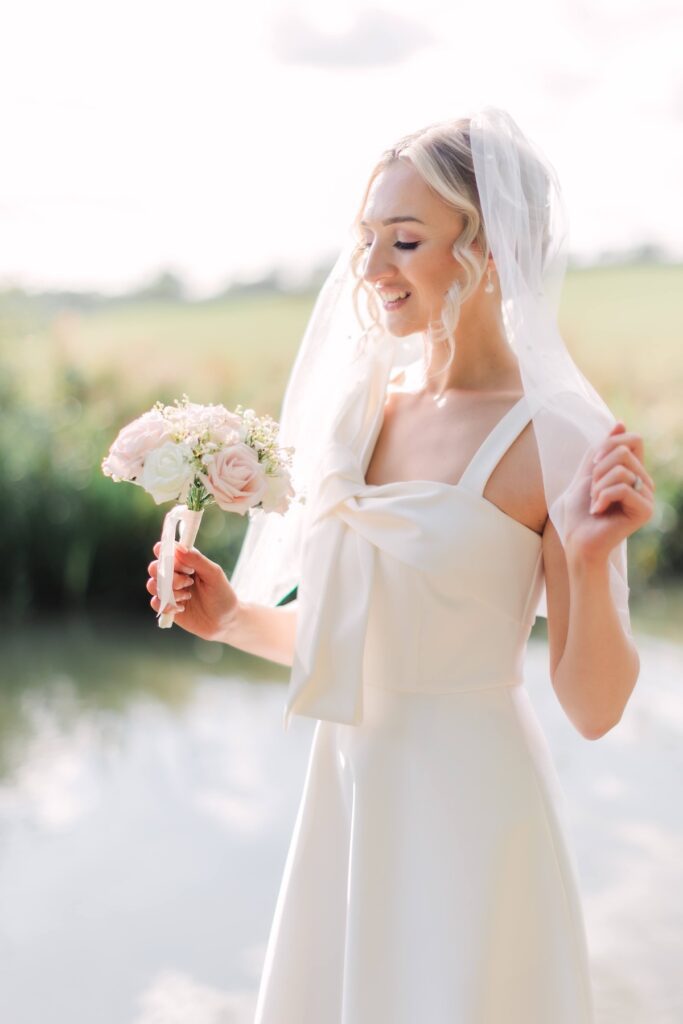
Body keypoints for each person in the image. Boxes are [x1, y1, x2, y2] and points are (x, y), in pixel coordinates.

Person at [146, 108, 654, 1022]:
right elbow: (358, 644)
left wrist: (586, 560)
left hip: (471, 809)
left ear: (491, 247)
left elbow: (593, 707)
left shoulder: (559, 435)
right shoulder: (360, 410)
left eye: (406, 239)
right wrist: (229, 618)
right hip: (346, 795)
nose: (373, 269)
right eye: (367, 239)